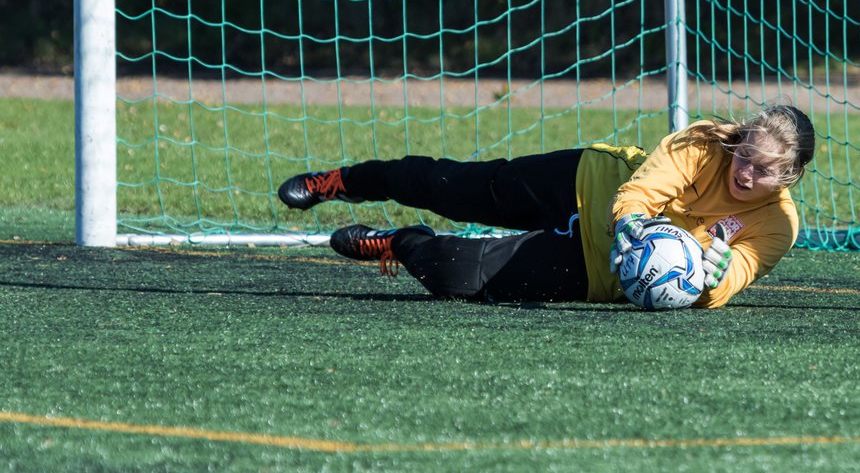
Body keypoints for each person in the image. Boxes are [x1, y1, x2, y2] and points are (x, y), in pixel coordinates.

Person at [277, 105, 816, 308]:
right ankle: (342, 180)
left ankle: (397, 242)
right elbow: (640, 194)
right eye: (744, 155)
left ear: (789, 177)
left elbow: (733, 277)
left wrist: (713, 280)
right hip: (583, 183)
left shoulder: (779, 225)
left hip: (597, 272)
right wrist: (630, 224)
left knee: (457, 276)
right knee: (454, 185)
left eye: (763, 169)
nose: (744, 171)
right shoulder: (703, 141)